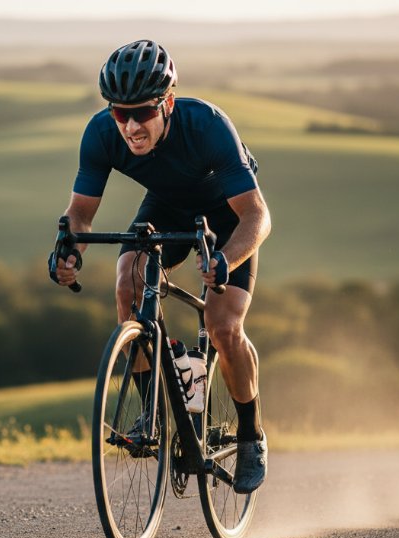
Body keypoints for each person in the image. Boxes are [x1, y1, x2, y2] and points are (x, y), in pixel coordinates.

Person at [52, 39, 272, 494]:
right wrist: (70, 250)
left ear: (167, 103)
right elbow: (80, 213)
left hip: (227, 214)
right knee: (128, 281)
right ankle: (155, 407)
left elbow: (257, 215)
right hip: (168, 206)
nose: (130, 126)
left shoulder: (207, 126)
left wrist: (225, 259)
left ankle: (251, 434)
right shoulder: (101, 133)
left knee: (222, 324)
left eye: (143, 113)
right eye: (120, 113)